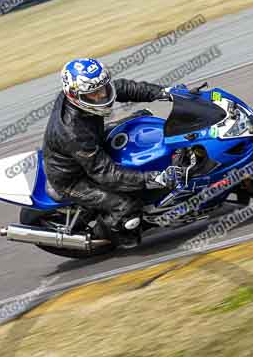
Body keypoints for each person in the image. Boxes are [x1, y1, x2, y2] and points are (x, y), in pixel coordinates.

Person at [42, 58, 181, 249]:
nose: (101, 96)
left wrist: (164, 92)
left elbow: (123, 88)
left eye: (103, 89)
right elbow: (106, 174)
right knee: (126, 206)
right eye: (94, 94)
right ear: (75, 96)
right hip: (74, 179)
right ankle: (114, 236)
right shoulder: (73, 132)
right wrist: (155, 178)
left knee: (141, 119)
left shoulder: (86, 92)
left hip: (92, 144)